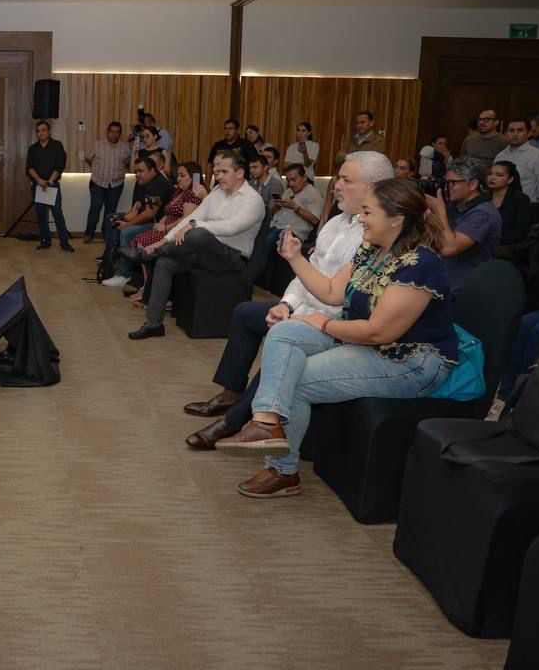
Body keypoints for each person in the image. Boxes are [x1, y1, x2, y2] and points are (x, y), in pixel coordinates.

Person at [215, 177, 456, 498]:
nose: (361, 218)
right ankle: (265, 422)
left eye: (368, 212)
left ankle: (282, 471)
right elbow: (331, 292)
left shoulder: (420, 263)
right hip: (367, 341)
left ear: (396, 219)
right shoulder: (371, 249)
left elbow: (380, 331)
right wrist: (295, 258)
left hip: (411, 360)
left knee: (297, 378)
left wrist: (324, 324)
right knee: (284, 330)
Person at [182, 153, 389, 449]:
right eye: (338, 178)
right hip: (307, 309)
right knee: (246, 313)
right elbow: (306, 273)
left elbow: (339, 298)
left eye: (346, 180)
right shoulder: (335, 223)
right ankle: (231, 394)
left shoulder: (373, 234)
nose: (336, 186)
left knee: (283, 338)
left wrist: (295, 314)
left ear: (375, 187)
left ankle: (236, 421)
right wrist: (286, 305)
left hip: (333, 321)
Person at [124, 150, 265, 340]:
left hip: (231, 258)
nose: (218, 176)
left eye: (224, 172)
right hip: (205, 252)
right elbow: (191, 218)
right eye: (218, 172)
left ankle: (152, 253)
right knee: (165, 263)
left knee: (199, 232)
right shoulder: (217, 192)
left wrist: (195, 225)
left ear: (240, 173)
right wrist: (165, 240)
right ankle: (154, 323)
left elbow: (231, 227)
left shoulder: (253, 200)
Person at [125, 162, 208, 304]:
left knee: (143, 242)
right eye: (178, 175)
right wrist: (160, 224)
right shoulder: (179, 192)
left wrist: (166, 228)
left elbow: (186, 219)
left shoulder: (193, 195)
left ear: (194, 177)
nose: (178, 179)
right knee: (139, 239)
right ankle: (146, 285)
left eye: (182, 175)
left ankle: (148, 288)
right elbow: (168, 212)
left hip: (176, 232)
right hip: (167, 228)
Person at [423, 156, 501, 296]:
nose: (448, 187)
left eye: (453, 182)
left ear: (472, 184)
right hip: (439, 280)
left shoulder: (484, 213)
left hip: (461, 290)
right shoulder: (455, 205)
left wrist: (440, 211)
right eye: (446, 182)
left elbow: (449, 248)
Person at [100, 156, 175, 287]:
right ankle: (111, 263)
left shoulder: (158, 184)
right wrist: (125, 218)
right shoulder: (145, 183)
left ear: (152, 170)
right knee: (113, 219)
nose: (137, 174)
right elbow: (138, 208)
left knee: (127, 232)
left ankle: (125, 274)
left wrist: (127, 224)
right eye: (136, 171)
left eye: (141, 171)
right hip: (152, 221)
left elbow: (149, 213)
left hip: (160, 225)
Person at [26, 120, 74, 252]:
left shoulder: (57, 145)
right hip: (37, 186)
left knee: (58, 214)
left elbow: (60, 165)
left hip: (52, 185)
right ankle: (45, 241)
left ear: (49, 132)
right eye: (38, 131)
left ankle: (64, 243)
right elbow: (29, 167)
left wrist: (49, 181)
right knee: (41, 215)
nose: (41, 133)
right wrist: (39, 180)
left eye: (43, 130)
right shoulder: (32, 149)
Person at [83, 121, 132, 243]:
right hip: (98, 183)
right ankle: (89, 233)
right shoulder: (98, 144)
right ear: (108, 132)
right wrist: (96, 168)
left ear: (120, 133)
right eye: (112, 131)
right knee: (95, 209)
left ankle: (107, 234)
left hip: (116, 185)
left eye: (117, 132)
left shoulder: (125, 148)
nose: (114, 134)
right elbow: (88, 158)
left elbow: (128, 163)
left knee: (111, 211)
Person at [495, 117, 539, 205]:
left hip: (528, 204)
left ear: (529, 133)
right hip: (502, 204)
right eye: (511, 130)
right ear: (506, 134)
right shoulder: (500, 155)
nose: (515, 134)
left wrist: (532, 200)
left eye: (520, 130)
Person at [487, 160, 532, 250]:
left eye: (499, 175)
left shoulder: (520, 199)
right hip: (480, 242)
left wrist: (489, 240)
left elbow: (520, 233)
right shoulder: (482, 197)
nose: (492, 178)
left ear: (510, 179)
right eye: (490, 174)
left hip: (508, 246)